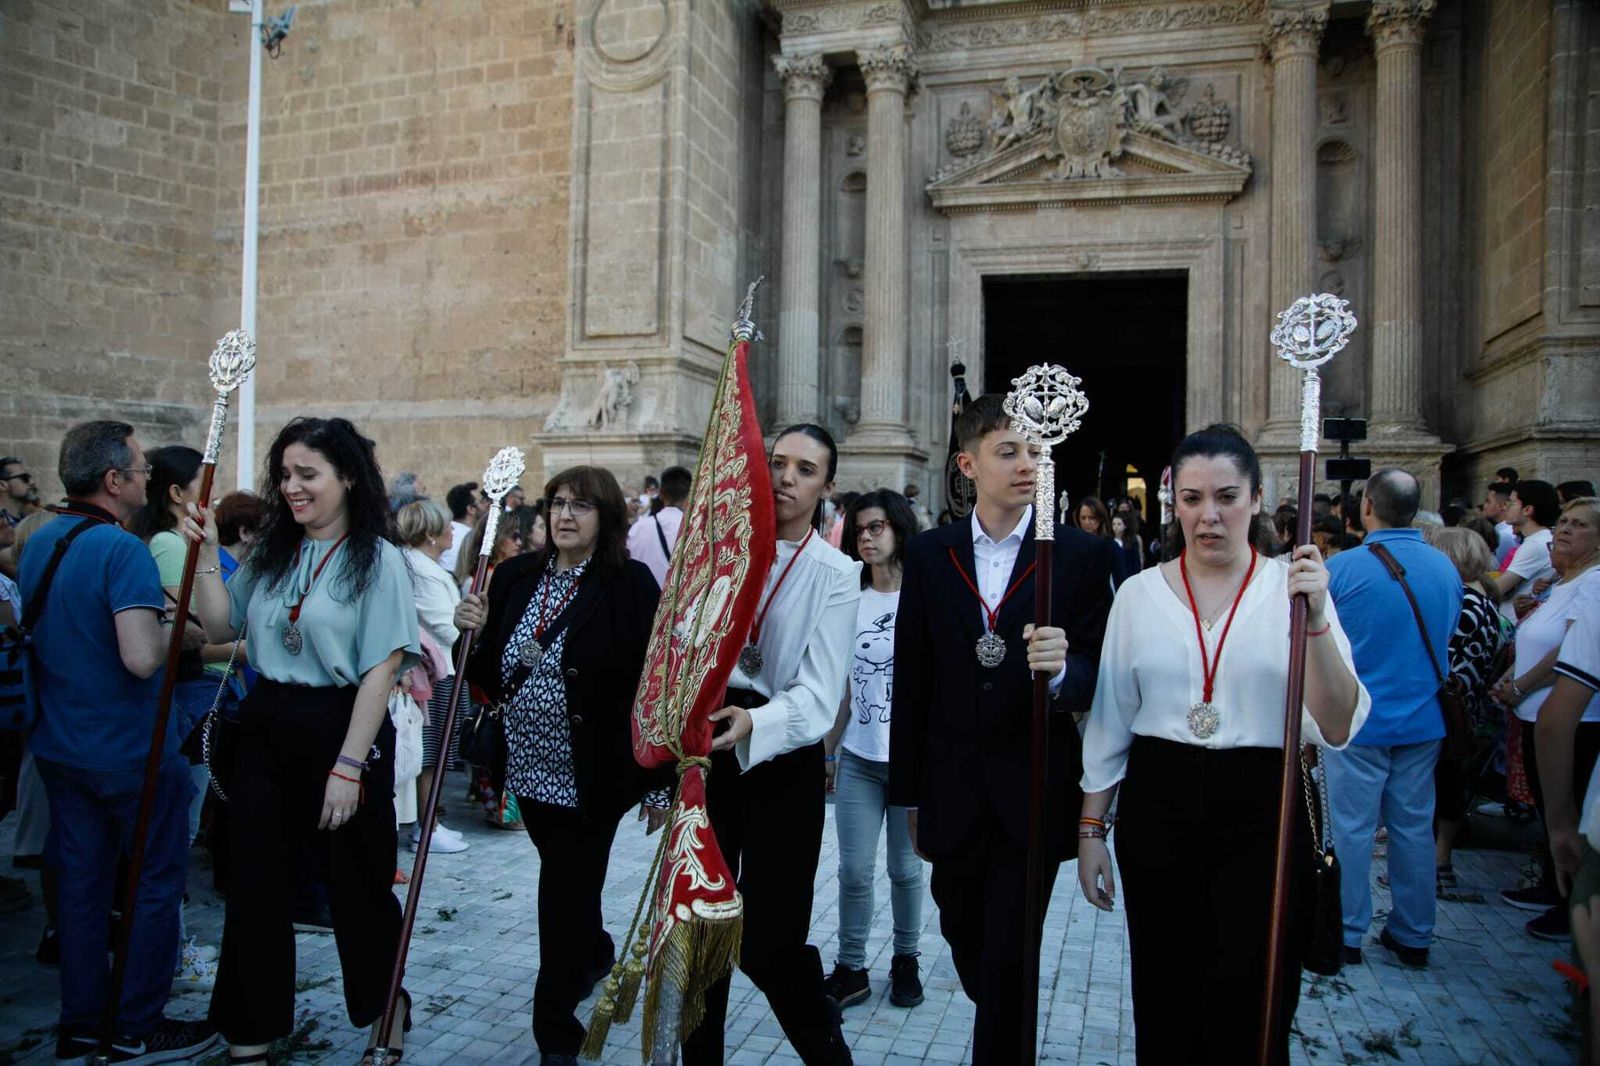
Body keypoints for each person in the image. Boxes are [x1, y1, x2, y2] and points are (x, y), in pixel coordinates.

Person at [1076, 425, 1366, 1065]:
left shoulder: (1293, 589)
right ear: (1171, 503)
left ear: (1257, 499)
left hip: (1262, 806)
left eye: (1227, 496)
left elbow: (1339, 722)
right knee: (1165, 992)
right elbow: (1111, 722)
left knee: (1255, 998)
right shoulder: (1138, 595)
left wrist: (1315, 620)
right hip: (1161, 803)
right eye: (1191, 498)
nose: (1209, 515)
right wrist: (1092, 830)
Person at [185, 417, 421, 1066]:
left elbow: (382, 666)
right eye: (284, 474)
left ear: (347, 478)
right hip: (264, 724)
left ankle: (384, 1005)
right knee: (255, 883)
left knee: (359, 886)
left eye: (307, 474)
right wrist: (205, 554)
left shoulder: (378, 560)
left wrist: (347, 766)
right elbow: (218, 624)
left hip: (343, 726)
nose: (291, 487)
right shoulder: (271, 551)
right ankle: (250, 1026)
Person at [889, 395, 1113, 1064]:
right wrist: (909, 793)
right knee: (963, 928)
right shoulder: (931, 555)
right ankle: (999, 1002)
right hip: (952, 783)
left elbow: (1102, 667)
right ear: (968, 464)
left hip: (1033, 783)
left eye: (1036, 453)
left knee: (1013, 955)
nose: (1025, 465)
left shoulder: (1077, 555)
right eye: (1008, 451)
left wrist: (1066, 672)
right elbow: (914, 673)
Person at [20, 421, 222, 1061]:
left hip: (60, 747)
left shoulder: (40, 541)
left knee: (80, 890)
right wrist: (184, 636)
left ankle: (80, 1025)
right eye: (138, 468)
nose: (145, 477)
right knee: (152, 887)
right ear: (114, 481)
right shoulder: (121, 551)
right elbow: (140, 657)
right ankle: (137, 1026)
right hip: (129, 750)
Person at [455, 466, 667, 1064]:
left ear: (607, 518)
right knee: (571, 880)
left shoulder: (631, 584)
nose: (565, 515)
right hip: (528, 765)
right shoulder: (517, 575)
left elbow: (654, 685)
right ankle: (595, 950)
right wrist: (463, 633)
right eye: (557, 504)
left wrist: (659, 780)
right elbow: (483, 670)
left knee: (561, 888)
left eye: (581, 506)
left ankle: (554, 1029)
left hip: (596, 773)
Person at [684, 424, 859, 1066]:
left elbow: (819, 694)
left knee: (769, 940)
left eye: (805, 470)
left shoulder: (837, 573)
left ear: (826, 487)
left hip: (781, 753)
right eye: (777, 462)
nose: (786, 478)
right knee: (702, 927)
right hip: (708, 745)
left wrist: (755, 724)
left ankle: (827, 1054)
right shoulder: (720, 552)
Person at [1324, 467, 1462, 968]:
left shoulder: (1343, 570)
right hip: (1422, 717)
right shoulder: (1446, 569)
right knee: (1412, 826)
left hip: (1358, 718)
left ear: (1367, 507)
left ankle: (1347, 931)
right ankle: (1413, 933)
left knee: (1352, 827)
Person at [126, 445, 239, 987]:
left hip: (193, 693)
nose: (212, 494)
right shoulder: (172, 546)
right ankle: (166, 955)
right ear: (177, 494)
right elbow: (190, 635)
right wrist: (247, 647)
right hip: (195, 694)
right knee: (176, 832)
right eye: (204, 483)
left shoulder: (161, 539)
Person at [822, 489, 924, 1012]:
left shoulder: (925, 596)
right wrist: (829, 751)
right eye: (860, 528)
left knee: (906, 870)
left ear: (899, 530)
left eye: (877, 526)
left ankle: (906, 959)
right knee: (855, 871)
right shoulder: (848, 597)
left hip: (910, 760)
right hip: (860, 758)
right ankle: (851, 966)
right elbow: (840, 683)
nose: (867, 536)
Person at [1494, 496, 1600, 939]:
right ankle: (1554, 886)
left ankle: (1571, 903)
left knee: (1569, 812)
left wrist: (1519, 686)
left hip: (1576, 724)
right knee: (1549, 803)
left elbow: (1567, 654)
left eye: (1579, 525)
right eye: (1562, 522)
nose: (1564, 530)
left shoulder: (1593, 585)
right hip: (1535, 715)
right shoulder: (1564, 581)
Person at [1422, 525, 1508, 893]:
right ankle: (1440, 861)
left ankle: (1433, 863)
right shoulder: (1487, 604)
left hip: (1441, 708)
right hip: (1466, 709)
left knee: (1433, 785)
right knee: (1452, 783)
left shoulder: (1461, 604)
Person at [395, 499, 472, 852]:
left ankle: (432, 822)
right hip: (438, 670)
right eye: (445, 526)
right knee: (432, 753)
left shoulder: (424, 565)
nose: (452, 531)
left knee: (438, 750)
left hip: (443, 666)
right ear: (429, 533)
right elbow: (447, 625)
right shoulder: (420, 570)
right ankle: (427, 826)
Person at [1492, 479, 1561, 622]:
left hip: (1512, 622)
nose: (1505, 508)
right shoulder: (1540, 539)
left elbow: (1496, 589)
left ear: (1528, 509)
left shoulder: (1535, 544)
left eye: (1510, 503)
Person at [625, 465, 689, 588]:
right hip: (678, 600)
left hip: (643, 600)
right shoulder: (693, 529)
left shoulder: (638, 528)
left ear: (660, 494)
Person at [441, 482, 483, 573]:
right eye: (481, 501)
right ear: (471, 509)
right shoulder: (470, 539)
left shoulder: (445, 531)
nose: (486, 505)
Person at [1481, 482, 1520, 567]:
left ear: (1502, 505)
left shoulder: (1504, 535)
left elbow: (1497, 569)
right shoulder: (1503, 530)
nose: (1484, 506)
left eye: (1488, 502)